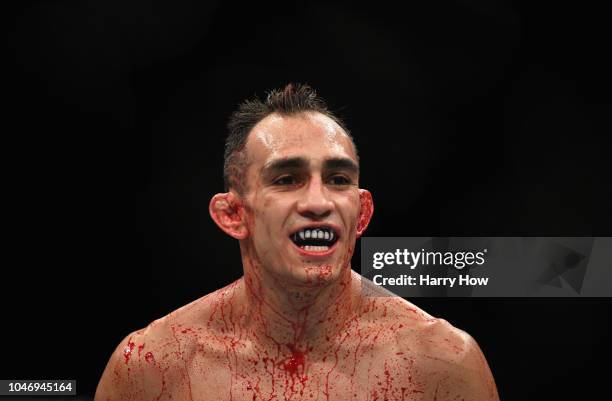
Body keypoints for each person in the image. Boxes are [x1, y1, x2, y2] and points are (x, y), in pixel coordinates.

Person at [95, 84, 500, 401]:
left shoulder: (441, 362)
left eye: (338, 179)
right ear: (233, 214)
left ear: (361, 214)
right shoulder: (153, 365)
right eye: (287, 179)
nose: (318, 202)